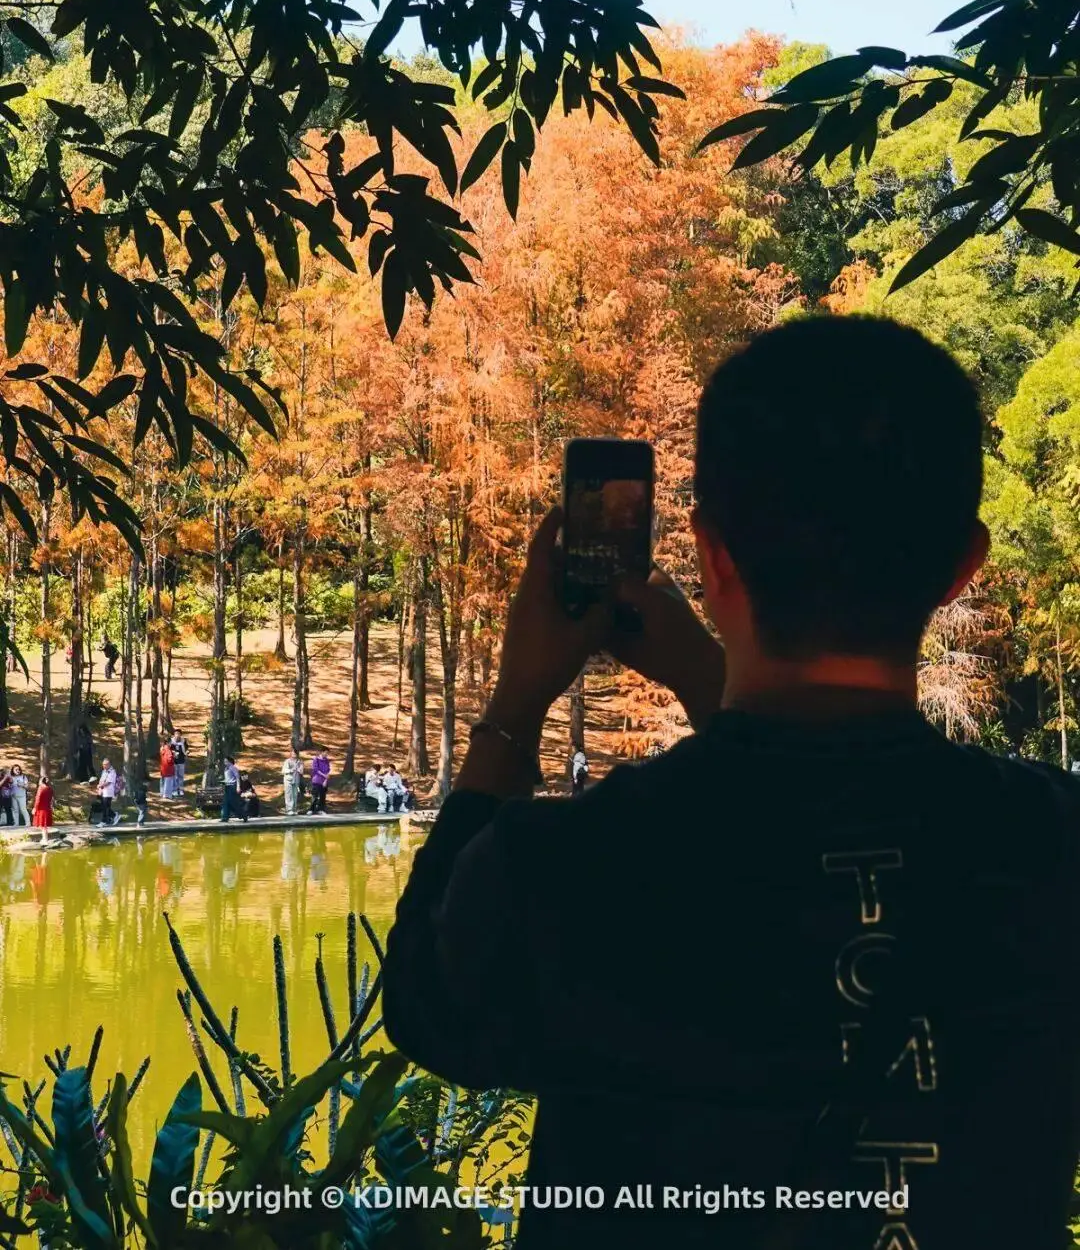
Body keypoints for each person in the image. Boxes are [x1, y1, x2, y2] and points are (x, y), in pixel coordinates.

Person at [382, 315, 1080, 1250]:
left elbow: (431, 1011)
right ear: (962, 568)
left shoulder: (570, 868)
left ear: (712, 558)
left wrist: (516, 707)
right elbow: (833, 794)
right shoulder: (1052, 848)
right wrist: (706, 675)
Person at [93, 759, 117, 826]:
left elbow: (108, 782)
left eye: (105, 765)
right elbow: (101, 780)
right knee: (105, 806)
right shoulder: (104, 771)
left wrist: (100, 785)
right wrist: (99, 788)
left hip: (108, 792)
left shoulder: (112, 772)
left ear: (109, 764)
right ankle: (112, 817)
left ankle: (104, 821)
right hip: (103, 791)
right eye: (103, 765)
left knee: (105, 807)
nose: (104, 766)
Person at [310, 747, 331, 813]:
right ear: (322, 752)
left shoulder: (326, 760)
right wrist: (323, 775)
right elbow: (316, 769)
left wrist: (325, 780)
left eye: (328, 753)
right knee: (315, 796)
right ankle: (311, 809)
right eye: (326, 753)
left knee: (322, 796)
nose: (327, 754)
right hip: (316, 780)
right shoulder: (316, 759)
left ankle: (321, 809)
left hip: (324, 781)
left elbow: (328, 770)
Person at [282, 750, 303, 816]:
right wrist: (291, 770)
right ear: (291, 753)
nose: (294, 754)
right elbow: (283, 771)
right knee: (289, 795)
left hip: (296, 780)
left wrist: (300, 769)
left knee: (295, 795)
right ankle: (289, 810)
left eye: (295, 753)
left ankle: (294, 809)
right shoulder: (287, 761)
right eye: (293, 753)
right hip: (288, 780)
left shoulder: (300, 762)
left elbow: (301, 771)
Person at [220, 756, 241, 822]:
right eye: (224, 761)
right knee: (225, 802)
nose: (225, 762)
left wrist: (238, 787)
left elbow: (237, 777)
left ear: (230, 761)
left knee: (233, 802)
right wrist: (223, 781)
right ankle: (225, 818)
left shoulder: (233, 768)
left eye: (226, 761)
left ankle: (243, 815)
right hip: (227, 786)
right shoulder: (226, 768)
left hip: (232, 786)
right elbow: (228, 778)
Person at [170, 730, 187, 795]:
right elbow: (168, 749)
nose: (177, 735)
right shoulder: (171, 742)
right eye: (176, 734)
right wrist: (173, 753)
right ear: (174, 735)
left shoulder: (183, 741)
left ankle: (181, 789)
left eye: (178, 734)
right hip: (174, 761)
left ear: (180, 735)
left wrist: (187, 752)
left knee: (181, 776)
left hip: (181, 761)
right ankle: (174, 790)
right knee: (175, 776)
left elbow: (186, 748)